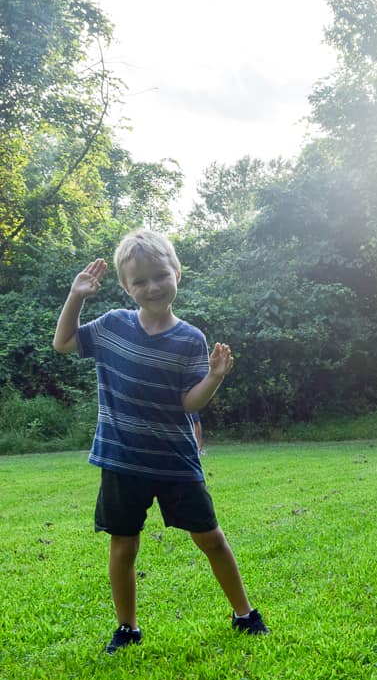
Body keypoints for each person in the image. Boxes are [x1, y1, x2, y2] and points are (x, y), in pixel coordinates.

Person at [53, 229, 268, 652]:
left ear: (177, 273)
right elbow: (63, 343)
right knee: (124, 544)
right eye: (140, 281)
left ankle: (245, 614)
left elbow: (188, 403)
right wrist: (76, 296)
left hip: (174, 461)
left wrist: (214, 377)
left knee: (210, 538)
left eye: (159, 275)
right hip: (122, 460)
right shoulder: (112, 325)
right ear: (125, 286)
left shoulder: (190, 338)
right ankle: (127, 628)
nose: (151, 286)